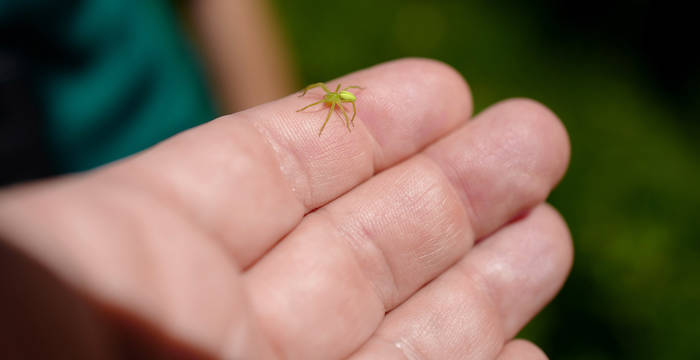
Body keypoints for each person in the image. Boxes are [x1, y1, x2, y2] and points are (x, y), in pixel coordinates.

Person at [0, 58, 572, 359]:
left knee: (338, 113)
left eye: (334, 98)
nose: (334, 99)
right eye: (330, 97)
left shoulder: (339, 103)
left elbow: (343, 104)